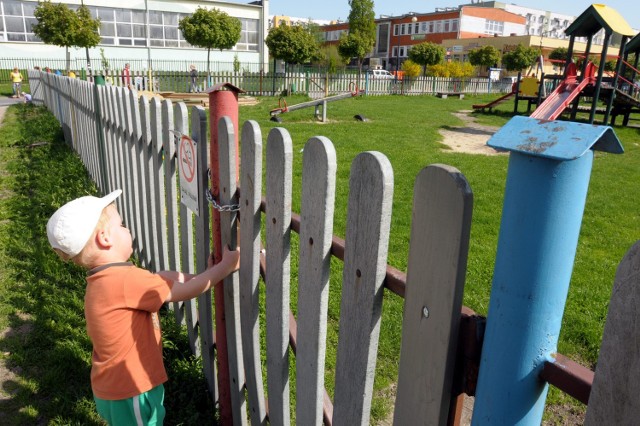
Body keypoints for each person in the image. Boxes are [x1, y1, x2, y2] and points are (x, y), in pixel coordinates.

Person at [46, 189, 240, 424]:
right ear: (105, 238)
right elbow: (184, 291)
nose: (127, 229)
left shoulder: (104, 280)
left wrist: (208, 273)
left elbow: (160, 278)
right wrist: (226, 267)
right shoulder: (128, 282)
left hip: (112, 387)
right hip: (132, 389)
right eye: (122, 225)